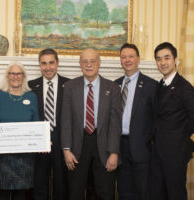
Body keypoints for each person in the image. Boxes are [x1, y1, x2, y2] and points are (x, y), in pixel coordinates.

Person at [61, 48, 122, 200]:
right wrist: (66, 150)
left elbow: (115, 123)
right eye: (85, 62)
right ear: (80, 64)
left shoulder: (112, 88)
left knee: (105, 192)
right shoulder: (70, 87)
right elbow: (66, 120)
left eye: (92, 61)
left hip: (104, 146)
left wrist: (114, 153)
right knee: (75, 192)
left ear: (99, 63)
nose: (89, 65)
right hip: (77, 146)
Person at [150, 42, 194, 200]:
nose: (163, 62)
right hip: (157, 152)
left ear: (175, 59)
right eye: (159, 59)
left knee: (175, 194)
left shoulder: (185, 87)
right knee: (158, 193)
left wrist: (179, 136)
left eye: (167, 58)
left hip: (175, 153)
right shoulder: (159, 86)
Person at [0, 61, 39, 200]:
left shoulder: (31, 96)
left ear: (23, 76)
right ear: (7, 76)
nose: (15, 76)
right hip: (2, 153)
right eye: (12, 73)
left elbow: (36, 123)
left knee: (21, 193)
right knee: (4, 192)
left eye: (18, 73)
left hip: (25, 155)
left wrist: (42, 141)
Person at [115, 43, 158, 200]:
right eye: (123, 57)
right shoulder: (115, 84)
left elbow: (156, 119)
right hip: (119, 148)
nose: (127, 60)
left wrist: (150, 143)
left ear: (138, 59)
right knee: (124, 192)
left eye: (131, 56)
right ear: (120, 60)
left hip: (142, 149)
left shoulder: (151, 86)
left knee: (143, 192)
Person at [28, 48, 69, 200]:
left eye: (51, 63)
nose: (48, 67)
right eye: (44, 63)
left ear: (57, 63)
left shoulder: (69, 85)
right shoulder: (31, 86)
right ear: (40, 65)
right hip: (38, 142)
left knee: (61, 183)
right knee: (39, 182)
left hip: (62, 141)